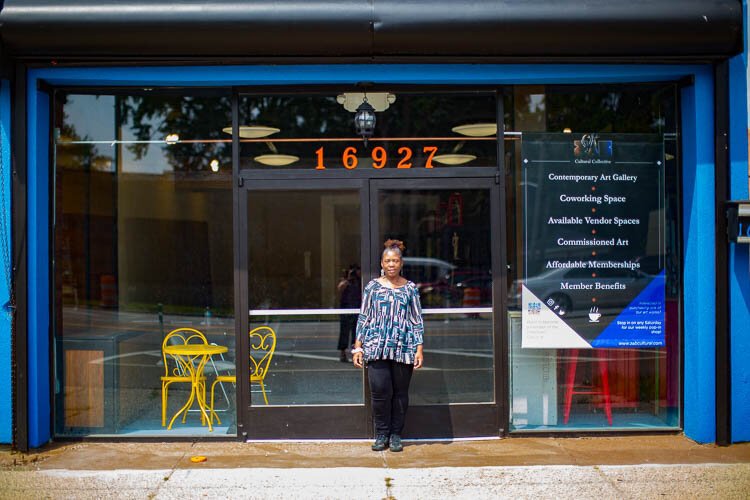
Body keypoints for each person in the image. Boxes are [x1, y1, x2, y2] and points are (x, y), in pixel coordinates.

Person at [352, 239, 424, 452]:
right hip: (376, 347)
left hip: (403, 348)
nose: (391, 264)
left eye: (395, 260)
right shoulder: (372, 287)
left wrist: (419, 348)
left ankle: (395, 435)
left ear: (401, 263)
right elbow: (364, 316)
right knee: (380, 392)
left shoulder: (410, 289)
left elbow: (417, 319)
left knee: (400, 393)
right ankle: (381, 434)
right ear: (381, 264)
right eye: (387, 261)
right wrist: (358, 346)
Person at [337, 265, 361, 362]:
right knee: (344, 332)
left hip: (356, 309)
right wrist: (347, 279)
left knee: (356, 332)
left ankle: (355, 352)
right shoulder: (346, 282)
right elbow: (339, 288)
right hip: (346, 309)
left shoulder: (360, 281)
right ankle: (343, 353)